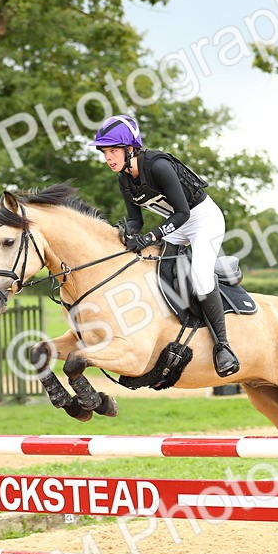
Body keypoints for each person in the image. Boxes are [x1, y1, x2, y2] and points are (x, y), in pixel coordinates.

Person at [91, 114, 240, 377]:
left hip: (203, 220)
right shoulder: (124, 179)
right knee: (152, 271)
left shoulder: (158, 166)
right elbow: (136, 220)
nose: (109, 158)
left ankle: (223, 347)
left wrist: (150, 238)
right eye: (105, 153)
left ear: (130, 149)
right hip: (177, 226)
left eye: (113, 151)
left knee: (200, 276)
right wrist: (121, 234)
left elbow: (182, 212)